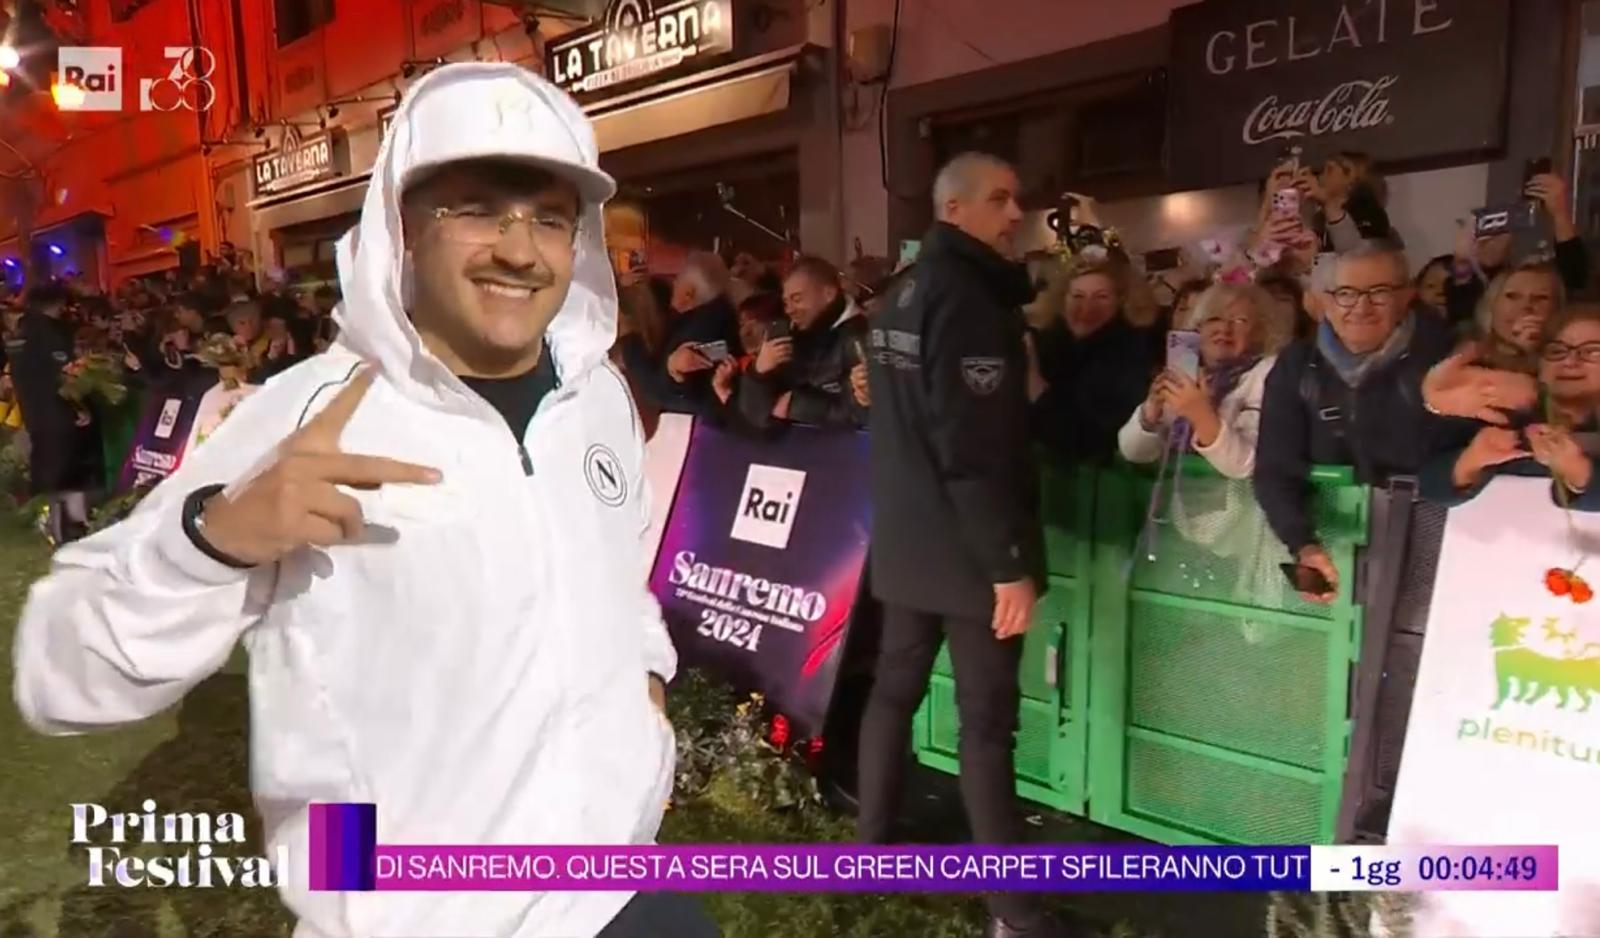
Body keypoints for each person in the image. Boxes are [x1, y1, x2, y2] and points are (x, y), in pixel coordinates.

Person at [14, 63, 710, 938]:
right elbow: (61, 677)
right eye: (476, 209)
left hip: (615, 887)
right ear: (403, 228)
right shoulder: (309, 414)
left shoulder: (597, 397)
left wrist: (645, 682)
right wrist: (212, 540)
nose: (518, 249)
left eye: (548, 216)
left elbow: (614, 574)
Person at [858, 152, 1057, 938]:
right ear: (954, 210)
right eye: (1000, 200)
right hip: (971, 558)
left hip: (908, 546)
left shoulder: (900, 294)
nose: (1015, 215)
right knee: (985, 729)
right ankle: (1014, 913)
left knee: (893, 696)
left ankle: (872, 852)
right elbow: (971, 450)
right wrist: (1007, 566)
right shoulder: (969, 301)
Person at [1253, 240, 1454, 603]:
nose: (1361, 307)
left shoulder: (1444, 358)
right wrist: (1303, 543)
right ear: (1327, 301)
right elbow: (1275, 468)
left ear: (1406, 295)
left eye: (1379, 292)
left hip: (1435, 543)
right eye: (1346, 293)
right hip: (1335, 543)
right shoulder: (1296, 365)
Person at [1420, 304, 1600, 509]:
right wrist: (1472, 459)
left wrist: (1577, 469)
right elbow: (1430, 486)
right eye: (1557, 351)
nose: (1570, 361)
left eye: (1592, 352)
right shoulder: (1495, 412)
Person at [1119, 282, 1284, 479]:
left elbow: (1246, 465)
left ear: (1261, 332)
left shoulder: (1269, 373)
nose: (1224, 328)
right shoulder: (1188, 372)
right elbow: (1134, 453)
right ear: (1198, 328)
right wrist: (1149, 414)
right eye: (1214, 318)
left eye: (1240, 320)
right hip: (1177, 498)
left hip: (1236, 498)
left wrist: (1200, 414)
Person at [1025, 259, 1156, 466]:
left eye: (1101, 297)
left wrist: (1035, 385)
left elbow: (1087, 439)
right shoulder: (1048, 345)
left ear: (1121, 302)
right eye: (1078, 296)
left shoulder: (1128, 356)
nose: (1087, 307)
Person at [9, 280, 100, 543]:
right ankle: (71, 531)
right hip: (59, 417)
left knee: (49, 478)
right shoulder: (50, 334)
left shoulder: (18, 334)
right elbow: (64, 378)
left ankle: (56, 530)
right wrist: (79, 408)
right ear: (57, 303)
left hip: (35, 414)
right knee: (68, 477)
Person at [736, 256, 867, 429]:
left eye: (797, 299)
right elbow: (753, 416)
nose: (790, 310)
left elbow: (862, 415)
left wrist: (795, 405)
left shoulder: (860, 337)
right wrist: (759, 372)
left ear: (828, 294)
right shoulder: (789, 335)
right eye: (786, 303)